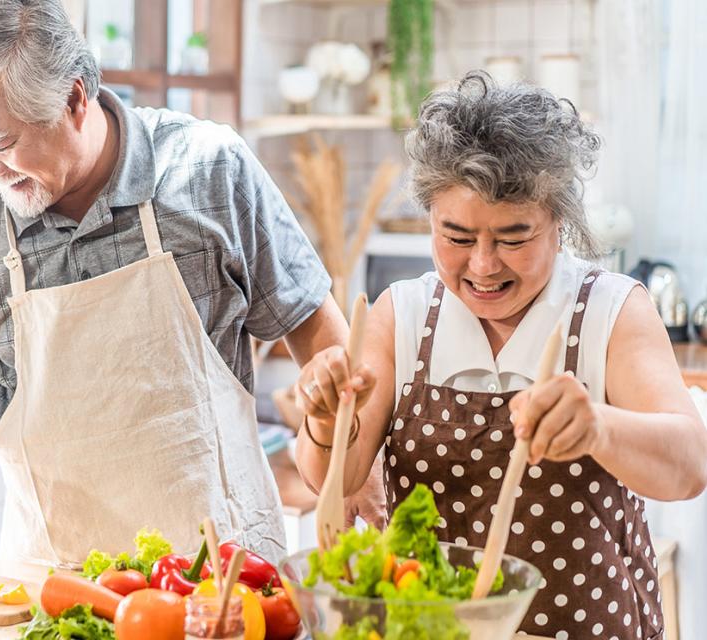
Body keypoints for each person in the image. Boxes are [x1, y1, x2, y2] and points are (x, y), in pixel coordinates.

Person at [0, 0, 375, 567]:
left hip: (226, 578)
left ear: (75, 98)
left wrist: (358, 466)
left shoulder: (208, 168)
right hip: (57, 586)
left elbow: (312, 324)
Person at [295, 71, 707, 639]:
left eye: (513, 239)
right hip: (432, 629)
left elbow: (689, 467)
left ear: (558, 224)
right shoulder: (404, 316)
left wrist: (599, 429)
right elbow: (333, 479)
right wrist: (324, 419)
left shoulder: (610, 312)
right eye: (457, 237)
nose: (484, 266)